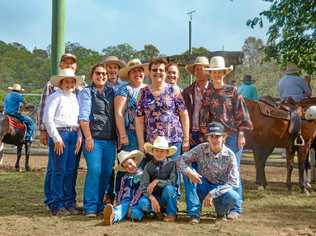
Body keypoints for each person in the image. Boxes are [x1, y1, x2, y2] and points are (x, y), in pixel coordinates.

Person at [200, 56, 253, 217]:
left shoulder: (233, 91)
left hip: (232, 135)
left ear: (224, 73)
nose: (217, 75)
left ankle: (236, 208)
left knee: (233, 171)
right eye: (214, 72)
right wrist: (205, 136)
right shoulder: (207, 93)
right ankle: (223, 206)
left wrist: (241, 134)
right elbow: (204, 116)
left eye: (219, 72)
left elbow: (241, 113)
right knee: (218, 172)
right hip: (215, 138)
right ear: (211, 74)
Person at [38, 53, 81, 210]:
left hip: (73, 133)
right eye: (67, 81)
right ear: (61, 82)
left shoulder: (75, 98)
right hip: (61, 134)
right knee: (58, 170)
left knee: (70, 171)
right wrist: (56, 138)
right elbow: (47, 118)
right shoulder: (55, 96)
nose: (70, 84)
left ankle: (68, 202)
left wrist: (79, 136)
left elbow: (79, 119)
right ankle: (56, 203)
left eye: (72, 81)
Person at [177, 122, 241, 222]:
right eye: (211, 136)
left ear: (223, 138)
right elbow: (181, 160)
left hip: (219, 189)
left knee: (234, 197)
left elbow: (234, 183)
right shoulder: (201, 148)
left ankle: (221, 213)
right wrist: (189, 172)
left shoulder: (230, 155)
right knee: (188, 175)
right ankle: (194, 214)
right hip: (202, 184)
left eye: (218, 136)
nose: (214, 139)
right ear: (207, 138)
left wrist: (213, 193)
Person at [78, 63, 117, 217]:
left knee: (107, 172)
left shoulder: (112, 92)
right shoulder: (87, 92)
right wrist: (88, 137)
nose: (101, 76)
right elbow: (83, 117)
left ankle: (100, 204)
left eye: (104, 74)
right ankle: (90, 206)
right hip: (94, 139)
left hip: (110, 140)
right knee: (94, 171)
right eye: (98, 73)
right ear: (92, 76)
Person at [135, 58, 190, 159]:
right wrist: (141, 143)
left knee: (172, 172)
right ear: (150, 73)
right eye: (154, 70)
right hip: (153, 144)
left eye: (161, 70)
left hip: (173, 141)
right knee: (154, 173)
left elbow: (184, 115)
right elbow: (139, 120)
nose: (158, 72)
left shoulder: (174, 90)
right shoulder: (143, 92)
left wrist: (186, 139)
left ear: (165, 73)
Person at [113, 59, 148, 196]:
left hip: (147, 134)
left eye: (140, 70)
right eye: (133, 71)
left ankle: (138, 197)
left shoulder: (147, 89)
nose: (137, 73)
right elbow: (119, 113)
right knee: (127, 165)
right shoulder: (124, 89)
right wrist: (122, 134)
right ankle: (121, 195)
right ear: (128, 74)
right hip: (130, 133)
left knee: (143, 167)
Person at [181, 56, 210, 223]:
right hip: (192, 134)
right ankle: (193, 211)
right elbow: (182, 114)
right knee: (189, 171)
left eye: (203, 68)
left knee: (207, 171)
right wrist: (186, 135)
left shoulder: (215, 91)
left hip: (209, 137)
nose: (199, 71)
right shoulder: (187, 91)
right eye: (197, 69)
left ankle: (210, 204)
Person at [135, 136, 178, 222]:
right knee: (142, 203)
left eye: (162, 151)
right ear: (152, 151)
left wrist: (157, 181)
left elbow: (172, 182)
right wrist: (151, 197)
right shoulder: (148, 166)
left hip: (165, 197)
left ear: (167, 152)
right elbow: (143, 186)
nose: (159, 153)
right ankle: (156, 212)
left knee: (170, 189)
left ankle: (171, 213)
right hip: (152, 197)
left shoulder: (172, 164)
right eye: (157, 150)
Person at [103, 150, 145, 225]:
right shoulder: (124, 178)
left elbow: (140, 191)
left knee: (136, 213)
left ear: (135, 160)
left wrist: (131, 205)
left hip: (137, 201)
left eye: (130, 163)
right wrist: (118, 202)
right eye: (126, 166)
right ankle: (113, 217)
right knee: (122, 207)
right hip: (125, 200)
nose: (129, 167)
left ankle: (125, 213)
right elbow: (120, 191)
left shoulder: (142, 175)